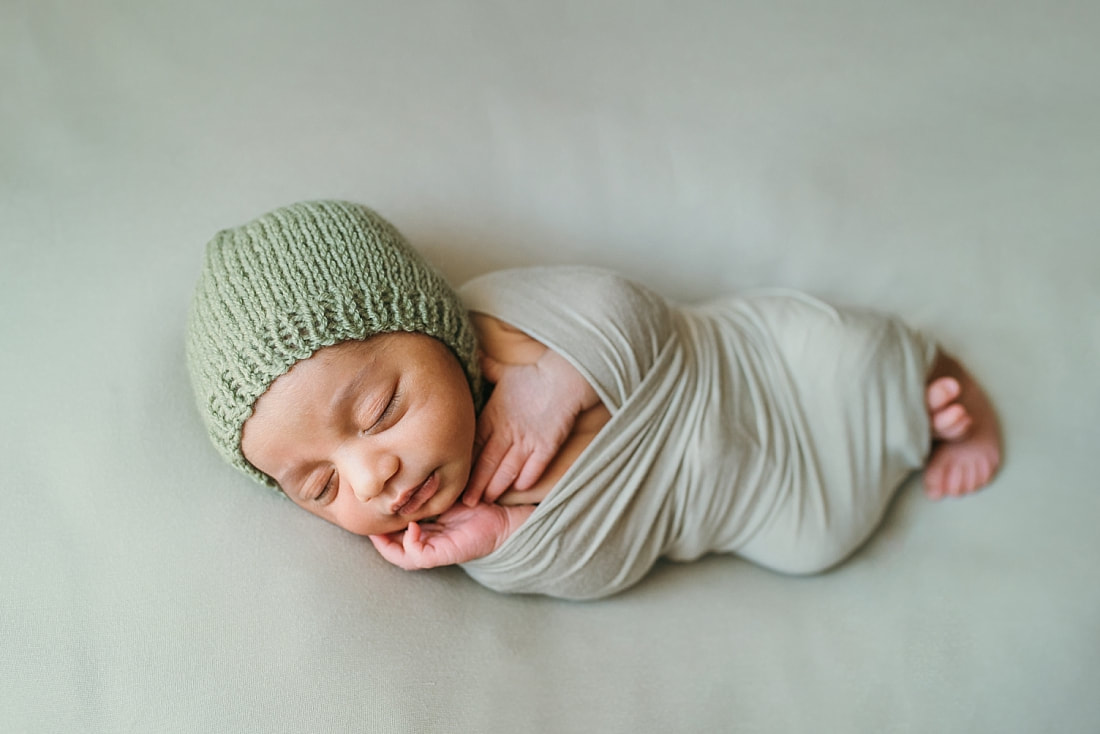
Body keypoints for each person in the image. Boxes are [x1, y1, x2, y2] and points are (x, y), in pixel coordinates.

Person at [187, 200, 1001, 599]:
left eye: (376, 414)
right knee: (818, 541)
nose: (372, 478)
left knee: (855, 353)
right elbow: (615, 560)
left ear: (436, 329)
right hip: (741, 498)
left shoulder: (503, 323)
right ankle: (909, 429)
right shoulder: (465, 523)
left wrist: (555, 384)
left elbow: (638, 316)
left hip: (753, 370)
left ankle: (948, 390)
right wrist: (504, 538)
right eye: (322, 488)